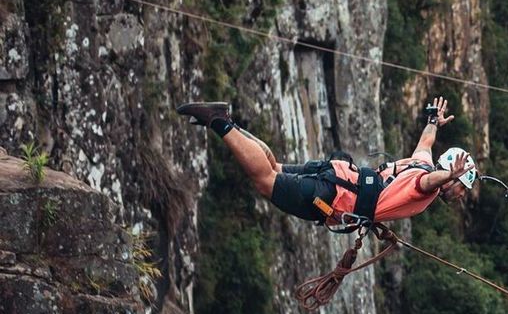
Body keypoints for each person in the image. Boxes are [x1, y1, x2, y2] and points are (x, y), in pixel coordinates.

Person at [176, 95, 475, 227]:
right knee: (266, 181)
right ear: (449, 173)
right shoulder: (429, 183)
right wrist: (447, 177)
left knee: (275, 167)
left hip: (340, 177)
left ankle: (229, 124)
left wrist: (433, 121)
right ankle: (219, 122)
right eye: (461, 185)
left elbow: (426, 141)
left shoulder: (421, 160)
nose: (460, 194)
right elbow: (429, 182)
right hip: (337, 196)